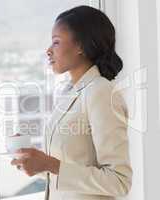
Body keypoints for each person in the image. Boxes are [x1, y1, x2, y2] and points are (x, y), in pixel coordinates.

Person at [11, 5, 133, 200]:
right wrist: (35, 161)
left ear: (81, 46)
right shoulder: (70, 92)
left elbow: (119, 182)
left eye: (56, 42)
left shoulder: (101, 93)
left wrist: (50, 164)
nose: (48, 50)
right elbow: (70, 170)